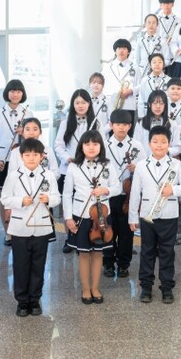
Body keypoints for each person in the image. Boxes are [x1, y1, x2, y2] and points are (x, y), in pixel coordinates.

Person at [129, 126, 181, 303]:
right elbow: (135, 193)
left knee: (167, 252)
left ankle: (167, 287)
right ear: (149, 144)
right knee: (147, 251)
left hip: (169, 215)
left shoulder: (176, 164)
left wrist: (174, 190)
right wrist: (132, 217)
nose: (159, 145)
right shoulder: (141, 166)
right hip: (147, 215)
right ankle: (146, 287)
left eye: (163, 142)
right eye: (155, 141)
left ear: (169, 144)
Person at [1, 138, 60, 317]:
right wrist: (20, 201)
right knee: (20, 265)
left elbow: (57, 197)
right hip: (20, 227)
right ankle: (21, 301)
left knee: (38, 264)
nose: (31, 158)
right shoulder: (13, 176)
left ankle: (35, 299)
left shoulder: (49, 175)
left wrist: (48, 199)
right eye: (27, 155)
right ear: (21, 156)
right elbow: (4, 199)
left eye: (35, 155)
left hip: (41, 226)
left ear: (42, 156)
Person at [62, 131, 121, 304]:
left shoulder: (107, 164)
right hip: (81, 214)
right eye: (87, 144)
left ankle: (95, 287)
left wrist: (106, 190)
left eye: (95, 144)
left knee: (98, 253)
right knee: (83, 254)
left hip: (102, 216)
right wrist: (68, 218)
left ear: (101, 146)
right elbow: (67, 194)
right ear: (81, 146)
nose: (91, 147)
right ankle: (86, 288)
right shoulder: (74, 166)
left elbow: (117, 187)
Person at [103, 109, 147, 278]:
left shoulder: (137, 146)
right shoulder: (104, 145)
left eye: (125, 125)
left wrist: (137, 169)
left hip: (129, 196)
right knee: (108, 229)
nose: (121, 128)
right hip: (108, 195)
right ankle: (108, 262)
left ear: (130, 126)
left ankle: (123, 264)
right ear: (111, 125)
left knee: (126, 232)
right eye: (117, 124)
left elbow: (145, 168)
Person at [54, 89, 99, 254]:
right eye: (77, 102)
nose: (80, 106)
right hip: (68, 170)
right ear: (73, 105)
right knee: (69, 204)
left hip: (89, 172)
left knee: (86, 205)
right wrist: (67, 158)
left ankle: (87, 237)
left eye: (84, 102)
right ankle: (69, 238)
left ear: (89, 104)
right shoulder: (66, 123)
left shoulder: (96, 123)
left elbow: (101, 147)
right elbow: (58, 145)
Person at [0, 79, 33, 245]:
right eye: (12, 91)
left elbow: (34, 137)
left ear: (23, 94)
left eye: (18, 91)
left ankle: (23, 230)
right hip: (4, 159)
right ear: (7, 93)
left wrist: (24, 132)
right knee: (5, 198)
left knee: (24, 194)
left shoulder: (28, 113)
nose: (15, 94)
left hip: (24, 158)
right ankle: (7, 232)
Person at [102, 39, 141, 125]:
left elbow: (140, 86)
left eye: (124, 48)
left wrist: (131, 91)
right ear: (115, 51)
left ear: (128, 51)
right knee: (111, 129)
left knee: (128, 130)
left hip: (128, 104)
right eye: (119, 48)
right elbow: (102, 85)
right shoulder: (107, 67)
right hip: (111, 104)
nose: (121, 51)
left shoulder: (135, 68)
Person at [134, 90, 181, 158]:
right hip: (145, 160)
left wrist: (166, 151)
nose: (158, 106)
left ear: (165, 105)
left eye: (161, 103)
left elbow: (177, 147)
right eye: (155, 103)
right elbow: (136, 145)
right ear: (149, 104)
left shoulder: (172, 124)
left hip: (165, 160)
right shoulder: (141, 123)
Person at [137, 53, 171, 118]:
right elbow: (141, 99)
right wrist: (141, 117)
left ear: (163, 64)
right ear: (150, 65)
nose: (157, 64)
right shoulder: (144, 80)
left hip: (164, 113)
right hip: (147, 113)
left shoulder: (169, 80)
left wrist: (168, 116)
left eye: (160, 62)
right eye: (154, 62)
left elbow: (170, 100)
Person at [157, 0, 180, 65]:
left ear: (172, 4)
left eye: (168, 3)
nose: (166, 6)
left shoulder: (179, 20)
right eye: (164, 4)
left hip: (173, 51)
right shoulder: (156, 19)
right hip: (160, 50)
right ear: (160, 5)